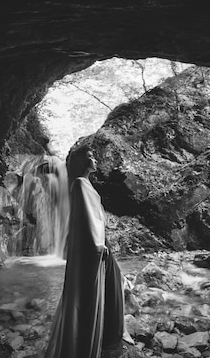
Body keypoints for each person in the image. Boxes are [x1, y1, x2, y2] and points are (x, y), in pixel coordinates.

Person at [44, 145, 133, 358]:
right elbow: (85, 217)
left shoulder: (85, 184)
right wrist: (97, 246)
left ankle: (111, 335)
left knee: (114, 283)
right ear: (83, 161)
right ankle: (105, 338)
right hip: (97, 246)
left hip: (102, 243)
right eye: (91, 156)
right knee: (105, 288)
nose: (95, 159)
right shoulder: (80, 184)